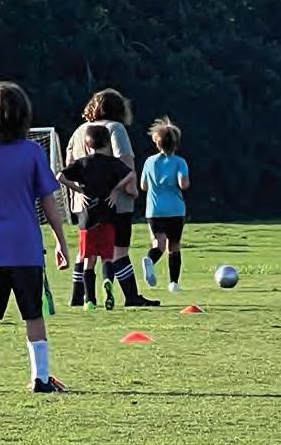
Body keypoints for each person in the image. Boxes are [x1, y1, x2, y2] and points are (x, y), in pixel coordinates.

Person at [0, 81, 69, 393]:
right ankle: (41, 378)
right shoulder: (33, 152)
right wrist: (60, 242)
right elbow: (49, 203)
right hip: (26, 249)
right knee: (33, 313)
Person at [66, 89, 157, 309]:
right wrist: (131, 190)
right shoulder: (115, 129)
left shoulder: (79, 131)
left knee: (85, 251)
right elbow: (125, 162)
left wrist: (77, 193)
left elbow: (69, 163)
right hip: (114, 202)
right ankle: (131, 296)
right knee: (119, 249)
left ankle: (79, 295)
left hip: (85, 203)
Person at [56, 124, 136, 311]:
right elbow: (131, 174)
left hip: (87, 219)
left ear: (87, 144)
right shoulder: (113, 163)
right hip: (108, 215)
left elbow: (59, 176)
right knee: (107, 257)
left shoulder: (82, 163)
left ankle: (90, 299)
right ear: (108, 143)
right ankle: (107, 282)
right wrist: (116, 190)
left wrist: (78, 190)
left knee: (88, 259)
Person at [140, 117, 190, 293]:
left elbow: (143, 186)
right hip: (175, 209)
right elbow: (183, 184)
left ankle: (150, 260)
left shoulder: (149, 162)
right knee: (174, 246)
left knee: (159, 244)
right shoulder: (180, 162)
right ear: (175, 143)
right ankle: (173, 283)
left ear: (157, 143)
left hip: (154, 210)